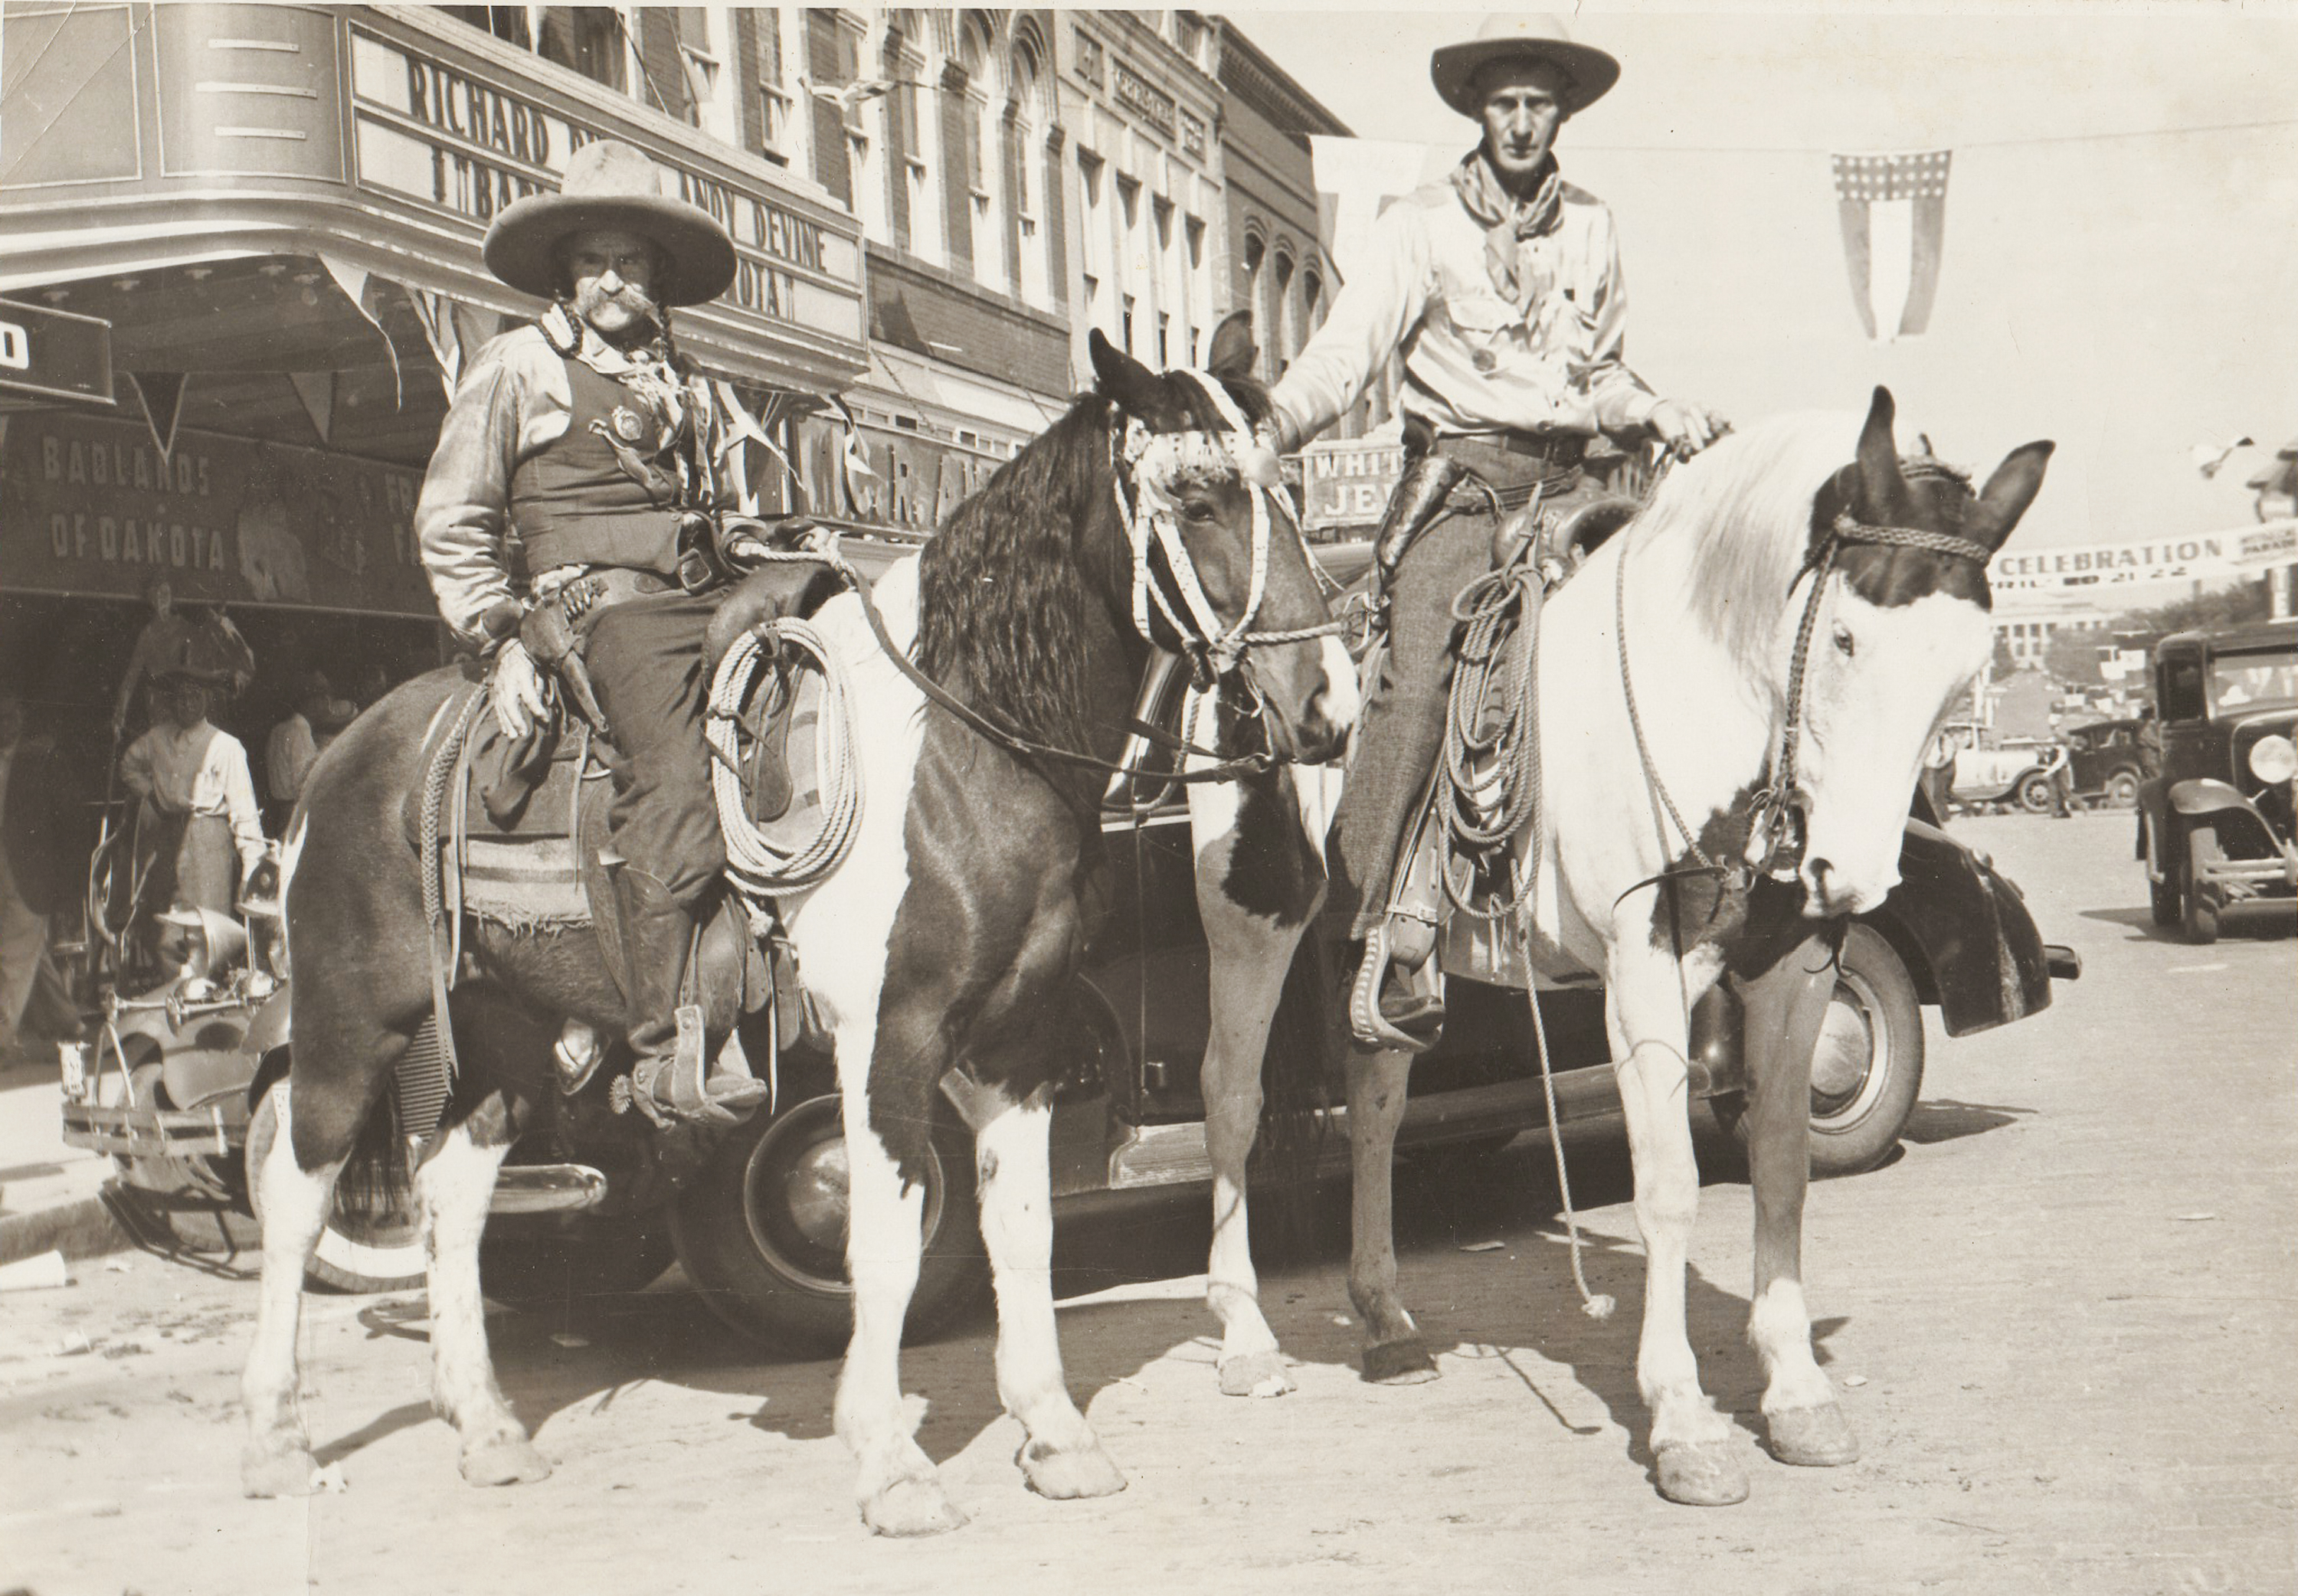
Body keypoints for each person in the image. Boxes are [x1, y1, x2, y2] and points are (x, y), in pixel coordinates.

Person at [1265, 15, 1724, 1045]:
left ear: (1563, 112)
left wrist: (1655, 411)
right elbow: (1347, 355)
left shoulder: (1595, 226)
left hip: (1576, 484)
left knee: (1670, 643)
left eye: (1539, 103)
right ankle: (1374, 924)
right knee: (1422, 673)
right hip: (1463, 485)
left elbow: (1600, 374)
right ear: (1478, 110)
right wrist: (1275, 424)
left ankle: (1702, 894)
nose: (1521, 122)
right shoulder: (1419, 225)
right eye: (1504, 102)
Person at [413, 137, 764, 1127]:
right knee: (669, 757)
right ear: (567, 274)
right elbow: (453, 520)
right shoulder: (518, 366)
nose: (613, 280)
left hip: (698, 593)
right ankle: (662, 1041)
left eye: (633, 261)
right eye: (592, 261)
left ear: (658, 275)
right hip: (593, 611)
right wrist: (499, 636)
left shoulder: (686, 380)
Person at [117, 672, 267, 978]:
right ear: (171, 702)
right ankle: (176, 993)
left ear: (208, 700)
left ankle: (208, 997)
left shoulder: (225, 746)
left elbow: (244, 809)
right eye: (181, 697)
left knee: (208, 926)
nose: (187, 704)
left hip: (208, 836)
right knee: (164, 924)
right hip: (169, 833)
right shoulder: (157, 738)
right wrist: (153, 797)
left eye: (195, 696)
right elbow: (128, 766)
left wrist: (252, 865)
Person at [112, 577, 197, 740]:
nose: (161, 598)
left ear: (172, 596)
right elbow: (131, 677)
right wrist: (119, 715)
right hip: (159, 706)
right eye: (156, 594)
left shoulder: (183, 627)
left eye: (165, 592)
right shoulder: (147, 634)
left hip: (185, 703)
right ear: (151, 599)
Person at [263, 671, 332, 826]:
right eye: (324, 700)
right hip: (295, 815)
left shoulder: (279, 729)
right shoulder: (299, 732)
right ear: (311, 702)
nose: (327, 705)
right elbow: (304, 783)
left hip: (281, 812)